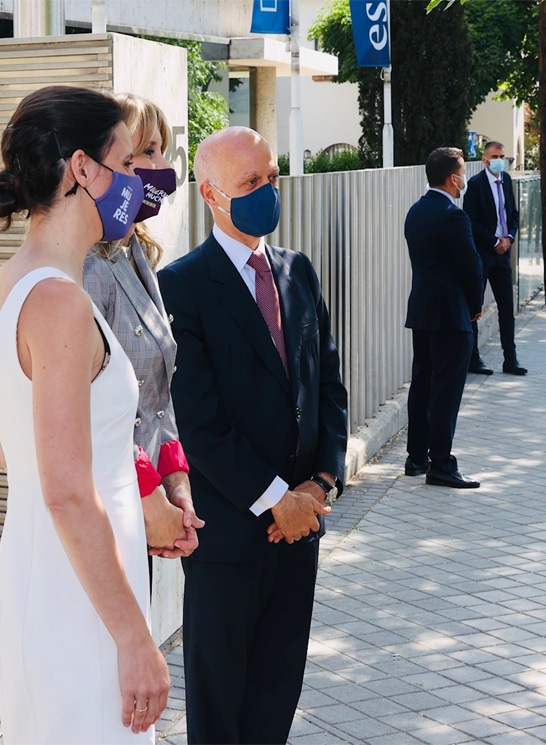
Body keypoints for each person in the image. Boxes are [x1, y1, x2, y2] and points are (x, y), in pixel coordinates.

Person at [157, 126, 348, 745]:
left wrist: (321, 483)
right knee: (219, 704)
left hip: (301, 529)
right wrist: (276, 499)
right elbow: (199, 422)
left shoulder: (299, 271)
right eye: (250, 183)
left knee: (277, 693)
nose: (267, 191)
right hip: (232, 535)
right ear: (212, 194)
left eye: (271, 177)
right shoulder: (182, 287)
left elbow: (329, 384)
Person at [0, 85, 170, 744]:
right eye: (126, 164)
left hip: (58, 585)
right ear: (82, 169)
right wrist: (134, 638)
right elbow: (67, 489)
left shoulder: (20, 283)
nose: (137, 182)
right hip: (82, 611)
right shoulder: (60, 304)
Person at [83, 94, 203, 559]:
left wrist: (177, 483)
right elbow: (96, 408)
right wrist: (151, 497)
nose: (158, 168)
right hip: (109, 507)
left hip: (145, 504)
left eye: (160, 150)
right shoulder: (88, 264)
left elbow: (156, 392)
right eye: (141, 154)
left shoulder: (136, 252)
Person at [404, 147, 483, 488]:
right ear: (454, 178)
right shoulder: (454, 215)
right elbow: (471, 264)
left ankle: (416, 457)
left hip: (422, 309)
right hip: (451, 314)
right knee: (446, 390)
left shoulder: (415, 211)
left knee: (422, 384)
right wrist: (475, 303)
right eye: (462, 172)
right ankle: (442, 463)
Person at [463, 140, 527, 376]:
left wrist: (509, 237)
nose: (500, 160)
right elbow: (470, 220)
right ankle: (474, 360)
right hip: (484, 253)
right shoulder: (475, 185)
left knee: (506, 309)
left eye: (502, 156)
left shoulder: (506, 180)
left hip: (503, 254)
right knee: (475, 307)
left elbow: (513, 214)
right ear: (485, 160)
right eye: (495, 156)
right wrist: (494, 241)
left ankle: (510, 360)